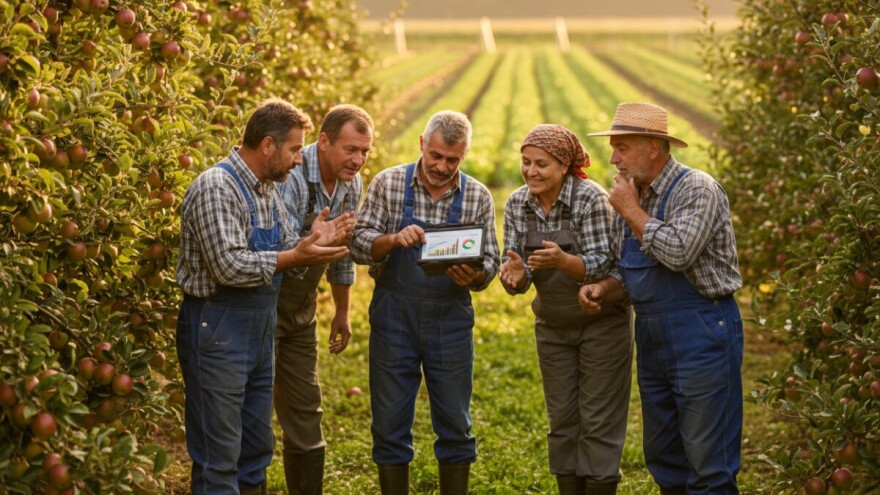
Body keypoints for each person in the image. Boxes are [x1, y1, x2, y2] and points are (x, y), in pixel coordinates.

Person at [176, 98, 352, 495]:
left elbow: (287, 243)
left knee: (256, 448)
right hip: (217, 331)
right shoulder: (216, 187)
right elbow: (229, 266)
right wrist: (296, 255)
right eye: (294, 149)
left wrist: (312, 240)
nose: (299, 160)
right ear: (268, 145)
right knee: (220, 455)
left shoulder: (268, 190)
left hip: (259, 329)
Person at [582, 102, 744, 495]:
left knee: (708, 462)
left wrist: (631, 210)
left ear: (653, 147)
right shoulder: (632, 196)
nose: (614, 158)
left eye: (622, 148)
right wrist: (605, 288)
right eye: (613, 148)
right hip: (653, 336)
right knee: (664, 456)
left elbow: (678, 252)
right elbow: (629, 270)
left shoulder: (696, 189)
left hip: (702, 331)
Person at [350, 110, 500, 495]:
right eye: (435, 155)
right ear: (421, 143)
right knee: (389, 424)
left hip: (450, 320)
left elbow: (491, 260)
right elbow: (358, 243)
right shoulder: (388, 184)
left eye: (453, 159)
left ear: (464, 155)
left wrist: (475, 276)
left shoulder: (477, 196)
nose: (442, 167)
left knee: (455, 423)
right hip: (394, 318)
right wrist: (391, 240)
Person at [498, 124, 632, 495]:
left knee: (598, 423)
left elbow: (606, 263)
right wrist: (514, 276)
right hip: (553, 326)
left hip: (602, 325)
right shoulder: (518, 203)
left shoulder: (589, 199)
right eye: (526, 162)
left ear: (563, 166)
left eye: (541, 164)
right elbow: (517, 266)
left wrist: (563, 262)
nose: (531, 171)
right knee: (562, 422)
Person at [274, 104, 373, 494]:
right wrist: (311, 239)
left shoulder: (352, 185)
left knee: (306, 409)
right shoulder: (292, 174)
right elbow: (274, 248)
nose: (358, 160)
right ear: (324, 141)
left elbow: (342, 251)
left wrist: (342, 311)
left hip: (301, 311)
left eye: (365, 151)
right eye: (351, 149)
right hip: (264, 306)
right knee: (254, 411)